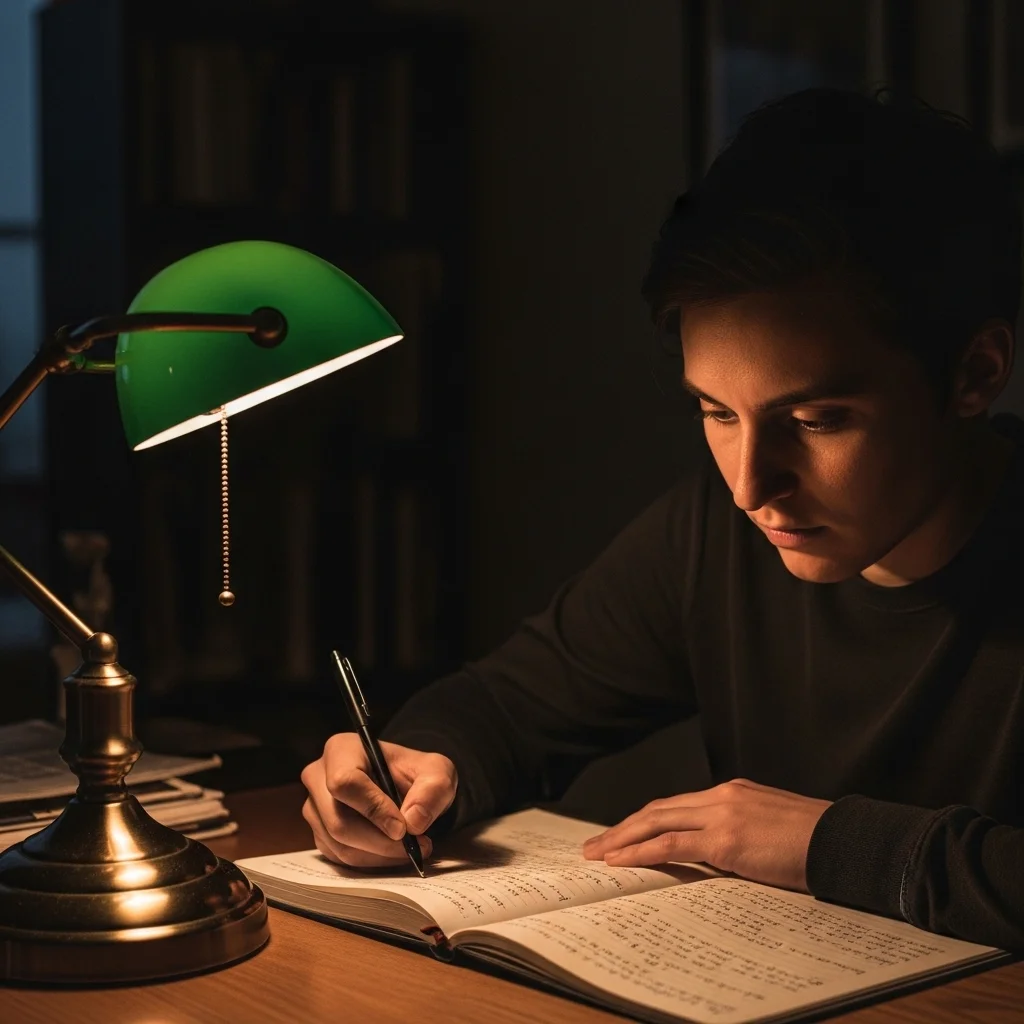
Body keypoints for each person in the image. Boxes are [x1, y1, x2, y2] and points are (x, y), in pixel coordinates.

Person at [301, 87, 1024, 951]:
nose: (754, 486)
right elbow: (505, 705)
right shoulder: (714, 535)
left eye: (817, 421)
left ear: (975, 375)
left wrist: (833, 843)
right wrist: (412, 772)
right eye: (717, 413)